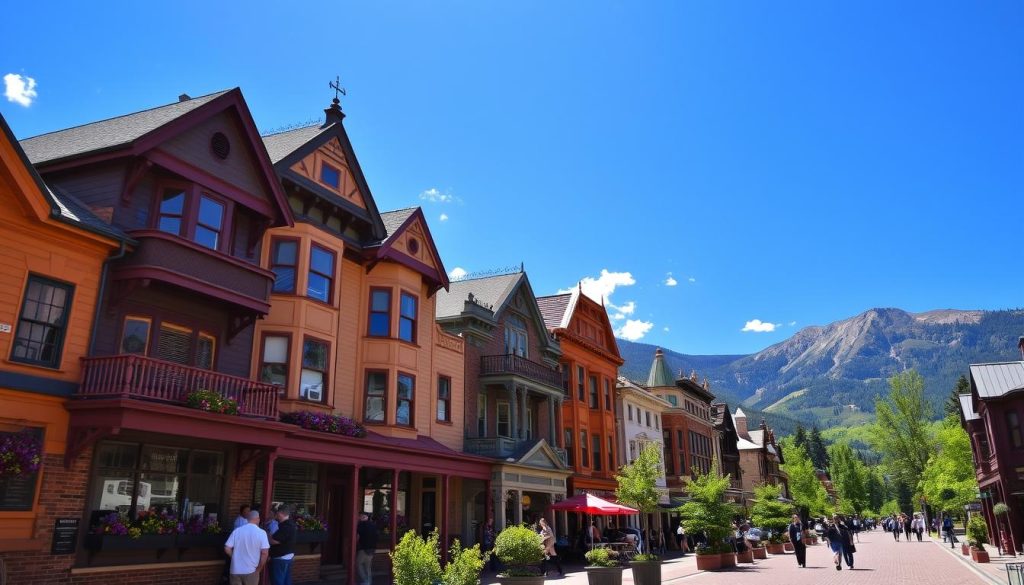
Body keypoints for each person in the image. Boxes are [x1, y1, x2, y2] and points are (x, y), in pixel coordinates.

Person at [224, 510, 270, 585]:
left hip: (235, 570)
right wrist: (259, 569)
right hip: (251, 570)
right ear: (258, 519)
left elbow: (227, 548)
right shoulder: (262, 533)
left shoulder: (237, 531)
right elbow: (265, 553)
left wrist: (234, 557)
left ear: (247, 519)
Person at [268, 505, 297, 585]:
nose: (276, 515)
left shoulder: (286, 526)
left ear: (281, 513)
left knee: (278, 581)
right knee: (286, 581)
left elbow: (273, 541)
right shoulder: (290, 525)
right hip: (287, 556)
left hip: (280, 558)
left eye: (277, 513)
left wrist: (267, 535)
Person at [356, 512, 379, 585]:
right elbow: (377, 536)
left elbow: (357, 536)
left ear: (363, 517)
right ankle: (369, 581)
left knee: (359, 564)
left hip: (364, 548)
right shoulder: (373, 525)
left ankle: (366, 581)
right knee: (368, 566)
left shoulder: (361, 524)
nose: (360, 518)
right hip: (372, 549)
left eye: (361, 516)